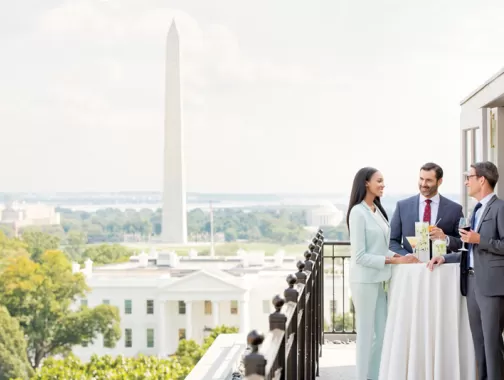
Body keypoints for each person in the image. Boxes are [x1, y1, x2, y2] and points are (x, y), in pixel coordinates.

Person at [427, 161, 504, 380]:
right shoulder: (476, 210)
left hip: (491, 287)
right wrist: (445, 252)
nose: (465, 181)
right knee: (479, 345)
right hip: (471, 284)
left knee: (492, 345)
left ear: (482, 180)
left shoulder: (500, 208)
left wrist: (480, 239)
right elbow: (469, 250)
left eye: (468, 177)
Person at [347, 167, 419, 380]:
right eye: (379, 181)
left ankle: (376, 375)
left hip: (379, 280)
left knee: (382, 332)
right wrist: (393, 259)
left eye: (383, 181)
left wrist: (403, 257)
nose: (382, 184)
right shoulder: (357, 212)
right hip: (364, 282)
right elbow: (360, 256)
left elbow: (381, 248)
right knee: (367, 334)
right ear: (366, 183)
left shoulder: (376, 210)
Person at [390, 162, 464, 256]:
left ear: (439, 181)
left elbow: (463, 243)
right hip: (411, 268)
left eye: (429, 180)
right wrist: (407, 257)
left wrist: (445, 238)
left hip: (442, 268)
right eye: (421, 179)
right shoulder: (402, 206)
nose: (423, 184)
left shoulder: (455, 209)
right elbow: (392, 241)